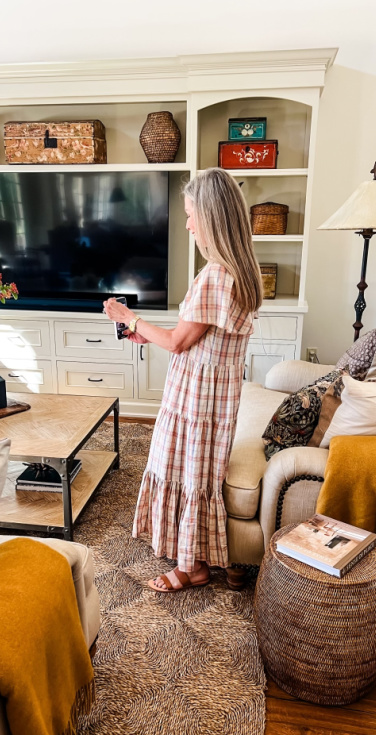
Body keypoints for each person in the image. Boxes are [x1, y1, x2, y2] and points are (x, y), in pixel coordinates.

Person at [103, 167, 263, 592]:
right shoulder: (241, 272)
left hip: (197, 396)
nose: (188, 223)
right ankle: (203, 554)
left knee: (189, 473)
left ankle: (191, 567)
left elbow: (178, 342)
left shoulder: (215, 275)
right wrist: (144, 333)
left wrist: (128, 316)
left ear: (211, 217)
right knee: (200, 472)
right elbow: (193, 340)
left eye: (192, 214)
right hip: (217, 392)